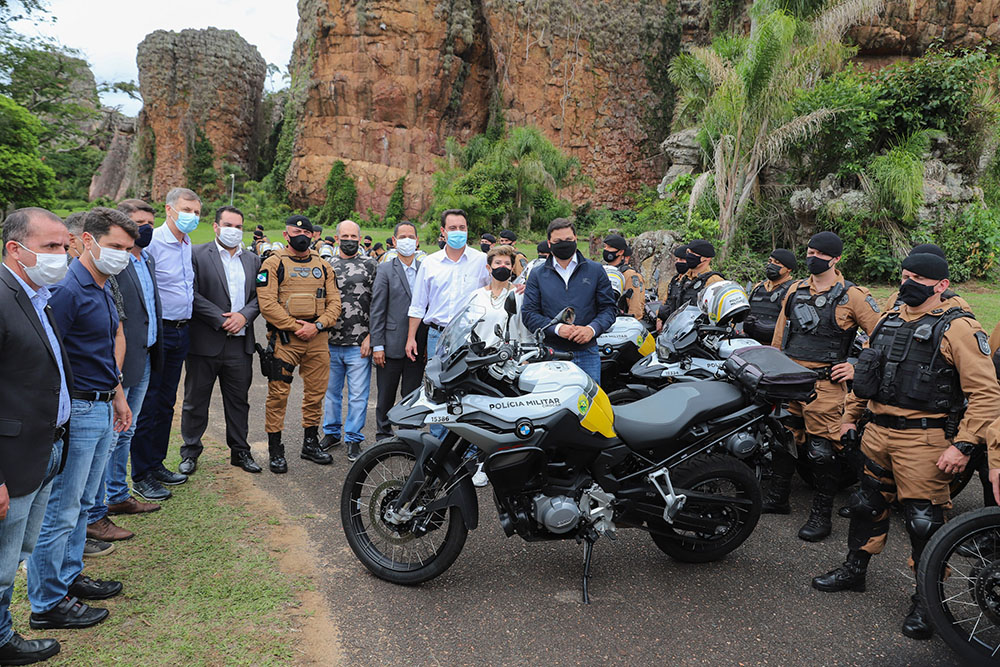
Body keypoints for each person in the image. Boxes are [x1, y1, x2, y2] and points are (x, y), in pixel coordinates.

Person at [811, 252, 1000, 640]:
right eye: (904, 274)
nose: (906, 282)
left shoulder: (959, 329)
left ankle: (928, 600)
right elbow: (868, 371)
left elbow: (985, 394)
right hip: (877, 431)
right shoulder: (888, 319)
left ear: (941, 285)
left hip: (924, 439)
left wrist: (963, 446)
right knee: (866, 505)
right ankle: (854, 569)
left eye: (916, 277)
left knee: (923, 521)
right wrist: (850, 415)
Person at [28, 207, 137, 632]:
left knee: (82, 506)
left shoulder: (103, 285)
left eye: (127, 249)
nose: (122, 256)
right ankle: (49, 601)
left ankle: (69, 578)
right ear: (86, 241)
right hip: (78, 408)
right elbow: (50, 356)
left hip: (102, 403)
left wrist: (119, 396)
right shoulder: (68, 289)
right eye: (114, 247)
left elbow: (105, 348)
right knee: (61, 508)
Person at [765, 231, 882, 542]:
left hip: (825, 386)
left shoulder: (852, 295)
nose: (811, 257)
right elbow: (781, 335)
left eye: (819, 253)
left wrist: (855, 366)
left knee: (821, 451)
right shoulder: (795, 290)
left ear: (835, 259)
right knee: (783, 439)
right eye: (809, 251)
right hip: (790, 381)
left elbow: (882, 334)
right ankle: (777, 499)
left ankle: (821, 515)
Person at [0, 208, 72, 664]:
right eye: (50, 248)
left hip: (43, 446)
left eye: (65, 247)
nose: (62, 256)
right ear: (15, 249)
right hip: (12, 457)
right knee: (3, 560)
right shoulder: (4, 299)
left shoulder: (36, 294)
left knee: (18, 551)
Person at [84, 200, 163, 550]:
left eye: (148, 222)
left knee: (126, 432)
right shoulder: (113, 265)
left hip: (144, 354)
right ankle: (97, 510)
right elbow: (115, 322)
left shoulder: (144, 259)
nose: (142, 229)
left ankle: (117, 494)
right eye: (136, 222)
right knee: (112, 435)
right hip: (120, 362)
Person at [179, 206, 262, 475]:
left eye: (239, 226)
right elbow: (191, 293)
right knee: (195, 400)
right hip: (205, 342)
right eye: (229, 225)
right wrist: (220, 317)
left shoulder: (252, 260)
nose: (234, 231)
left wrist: (244, 316)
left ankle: (240, 452)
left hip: (239, 344)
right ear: (215, 226)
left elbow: (260, 297)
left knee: (238, 401)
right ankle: (190, 452)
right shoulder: (197, 255)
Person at [131, 187, 201, 501]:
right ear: (169, 209)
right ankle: (141, 472)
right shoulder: (153, 243)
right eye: (187, 210)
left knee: (166, 401)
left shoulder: (187, 244)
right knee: (149, 401)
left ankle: (156, 463)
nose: (192, 217)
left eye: (197, 212)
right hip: (158, 331)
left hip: (181, 331)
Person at [257, 215, 342, 473]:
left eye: (306, 231)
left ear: (313, 235)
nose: (301, 235)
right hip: (285, 340)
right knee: (278, 395)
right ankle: (275, 449)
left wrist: (316, 326)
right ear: (286, 235)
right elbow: (267, 305)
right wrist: (296, 327)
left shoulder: (324, 266)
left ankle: (310, 443)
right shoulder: (272, 264)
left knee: (316, 394)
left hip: (317, 338)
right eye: (296, 231)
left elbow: (335, 303)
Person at [406, 209, 489, 439]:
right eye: (453, 228)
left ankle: (470, 449)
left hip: (472, 339)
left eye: (462, 228)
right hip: (438, 337)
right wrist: (412, 337)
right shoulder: (430, 263)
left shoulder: (481, 261)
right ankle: (438, 447)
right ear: (443, 232)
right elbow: (418, 305)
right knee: (439, 390)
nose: (458, 232)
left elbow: (498, 290)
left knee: (472, 391)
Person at [521, 218, 616, 383]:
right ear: (549, 244)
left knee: (590, 404)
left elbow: (609, 309)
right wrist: (557, 328)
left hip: (587, 353)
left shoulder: (595, 270)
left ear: (576, 239)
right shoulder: (537, 274)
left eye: (568, 240)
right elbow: (529, 314)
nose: (563, 244)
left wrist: (591, 329)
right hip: (552, 353)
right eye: (558, 241)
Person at [321, 220, 377, 462]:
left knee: (358, 395)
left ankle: (354, 438)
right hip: (329, 341)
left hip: (359, 343)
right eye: (345, 235)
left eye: (354, 236)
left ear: (360, 237)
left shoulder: (371, 265)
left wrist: (372, 336)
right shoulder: (325, 265)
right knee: (331, 393)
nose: (350, 239)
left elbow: (379, 304)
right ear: (337, 237)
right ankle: (331, 433)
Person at [371, 221, 426, 442]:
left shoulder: (426, 268)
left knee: (411, 395)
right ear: (394, 242)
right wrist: (377, 344)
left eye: (411, 236)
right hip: (390, 343)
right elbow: (377, 309)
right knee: (386, 394)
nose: (407, 240)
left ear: (417, 240)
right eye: (402, 237)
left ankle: (407, 437)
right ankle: (383, 436)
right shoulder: (385, 269)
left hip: (417, 345)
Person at [743, 248, 796, 345]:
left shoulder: (793, 290)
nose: (771, 265)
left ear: (788, 269)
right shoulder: (758, 287)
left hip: (774, 348)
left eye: (777, 262)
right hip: (749, 344)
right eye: (770, 261)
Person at [603, 234, 645, 319]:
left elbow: (635, 307)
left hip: (620, 323)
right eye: (605, 247)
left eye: (610, 247)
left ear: (621, 252)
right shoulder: (602, 270)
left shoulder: (629, 275)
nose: (606, 250)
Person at [675, 239, 723, 309]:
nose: (688, 256)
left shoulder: (713, 281)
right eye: (688, 252)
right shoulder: (685, 277)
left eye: (693, 253)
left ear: (706, 258)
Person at [656, 244, 689, 332]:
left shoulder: (694, 281)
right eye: (676, 260)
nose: (678, 262)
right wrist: (659, 320)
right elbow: (666, 302)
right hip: (670, 326)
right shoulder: (674, 280)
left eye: (681, 259)